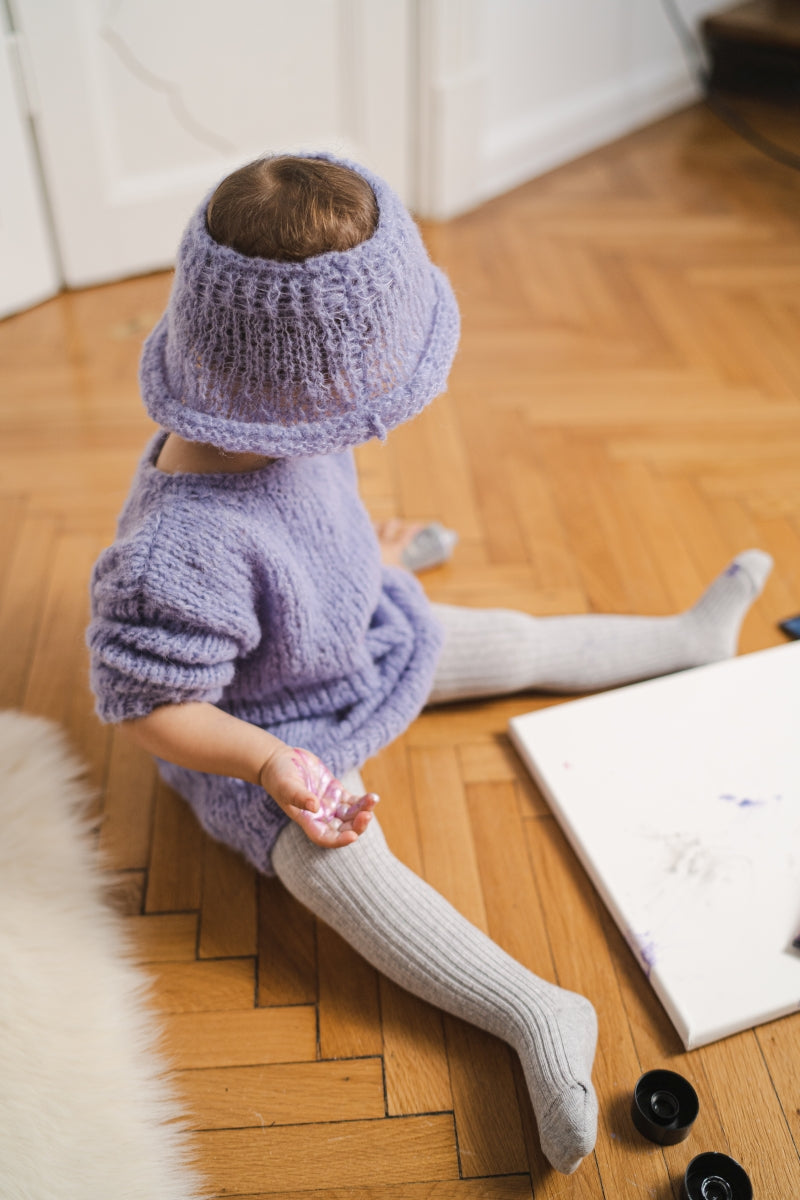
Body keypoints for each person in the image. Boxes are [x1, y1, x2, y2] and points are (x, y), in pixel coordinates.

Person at [87, 152, 772, 1176]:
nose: (377, 416)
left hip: (359, 629)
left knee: (513, 639)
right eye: (369, 395)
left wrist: (369, 554)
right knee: (347, 871)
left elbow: (312, 510)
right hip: (268, 734)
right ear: (302, 390)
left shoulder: (270, 409)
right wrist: (270, 768)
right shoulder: (169, 556)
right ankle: (530, 1011)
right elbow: (149, 707)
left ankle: (681, 641)